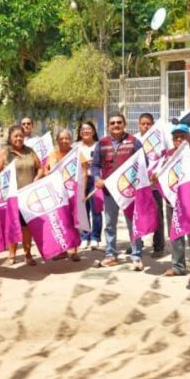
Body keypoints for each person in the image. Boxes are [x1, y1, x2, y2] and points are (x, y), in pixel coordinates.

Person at [91, 112, 144, 271]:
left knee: (133, 224)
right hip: (109, 191)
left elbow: (143, 163)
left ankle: (137, 256)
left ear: (124, 124)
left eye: (119, 122)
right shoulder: (102, 143)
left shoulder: (134, 142)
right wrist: (97, 179)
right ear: (108, 126)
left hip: (129, 192)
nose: (116, 125)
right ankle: (110, 255)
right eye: (113, 123)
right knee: (110, 225)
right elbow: (95, 166)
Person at [0, 125, 44, 265]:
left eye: (21, 135)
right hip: (11, 197)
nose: (19, 138)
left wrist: (37, 178)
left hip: (28, 197)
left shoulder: (30, 151)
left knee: (27, 227)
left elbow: (40, 168)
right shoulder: (4, 152)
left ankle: (28, 255)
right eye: (16, 136)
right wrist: (3, 185)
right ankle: (12, 255)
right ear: (10, 137)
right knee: (12, 225)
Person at [161, 125, 190, 279]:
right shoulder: (167, 155)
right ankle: (178, 267)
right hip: (172, 203)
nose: (179, 140)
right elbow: (161, 175)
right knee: (175, 236)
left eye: (182, 136)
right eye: (176, 137)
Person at [47, 129, 81, 261]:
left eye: (67, 138)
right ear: (57, 141)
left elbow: (83, 171)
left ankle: (74, 250)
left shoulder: (76, 153)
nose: (64, 141)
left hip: (73, 193)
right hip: (58, 194)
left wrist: (81, 191)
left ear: (71, 140)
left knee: (74, 221)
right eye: (61, 139)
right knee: (60, 220)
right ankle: (62, 250)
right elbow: (47, 170)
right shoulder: (53, 154)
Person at [138, 113, 166, 257]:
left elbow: (164, 157)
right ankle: (137, 243)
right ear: (139, 125)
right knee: (138, 215)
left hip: (155, 185)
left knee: (157, 215)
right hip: (139, 186)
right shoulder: (136, 140)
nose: (146, 126)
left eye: (149, 123)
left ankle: (159, 246)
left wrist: (158, 173)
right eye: (143, 123)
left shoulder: (159, 140)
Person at [76, 120, 102, 251]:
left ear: (93, 131)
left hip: (95, 180)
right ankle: (85, 236)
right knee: (83, 210)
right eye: (83, 129)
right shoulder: (75, 147)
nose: (86, 131)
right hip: (80, 181)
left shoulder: (99, 145)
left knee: (96, 210)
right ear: (80, 133)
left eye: (88, 129)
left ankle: (95, 238)